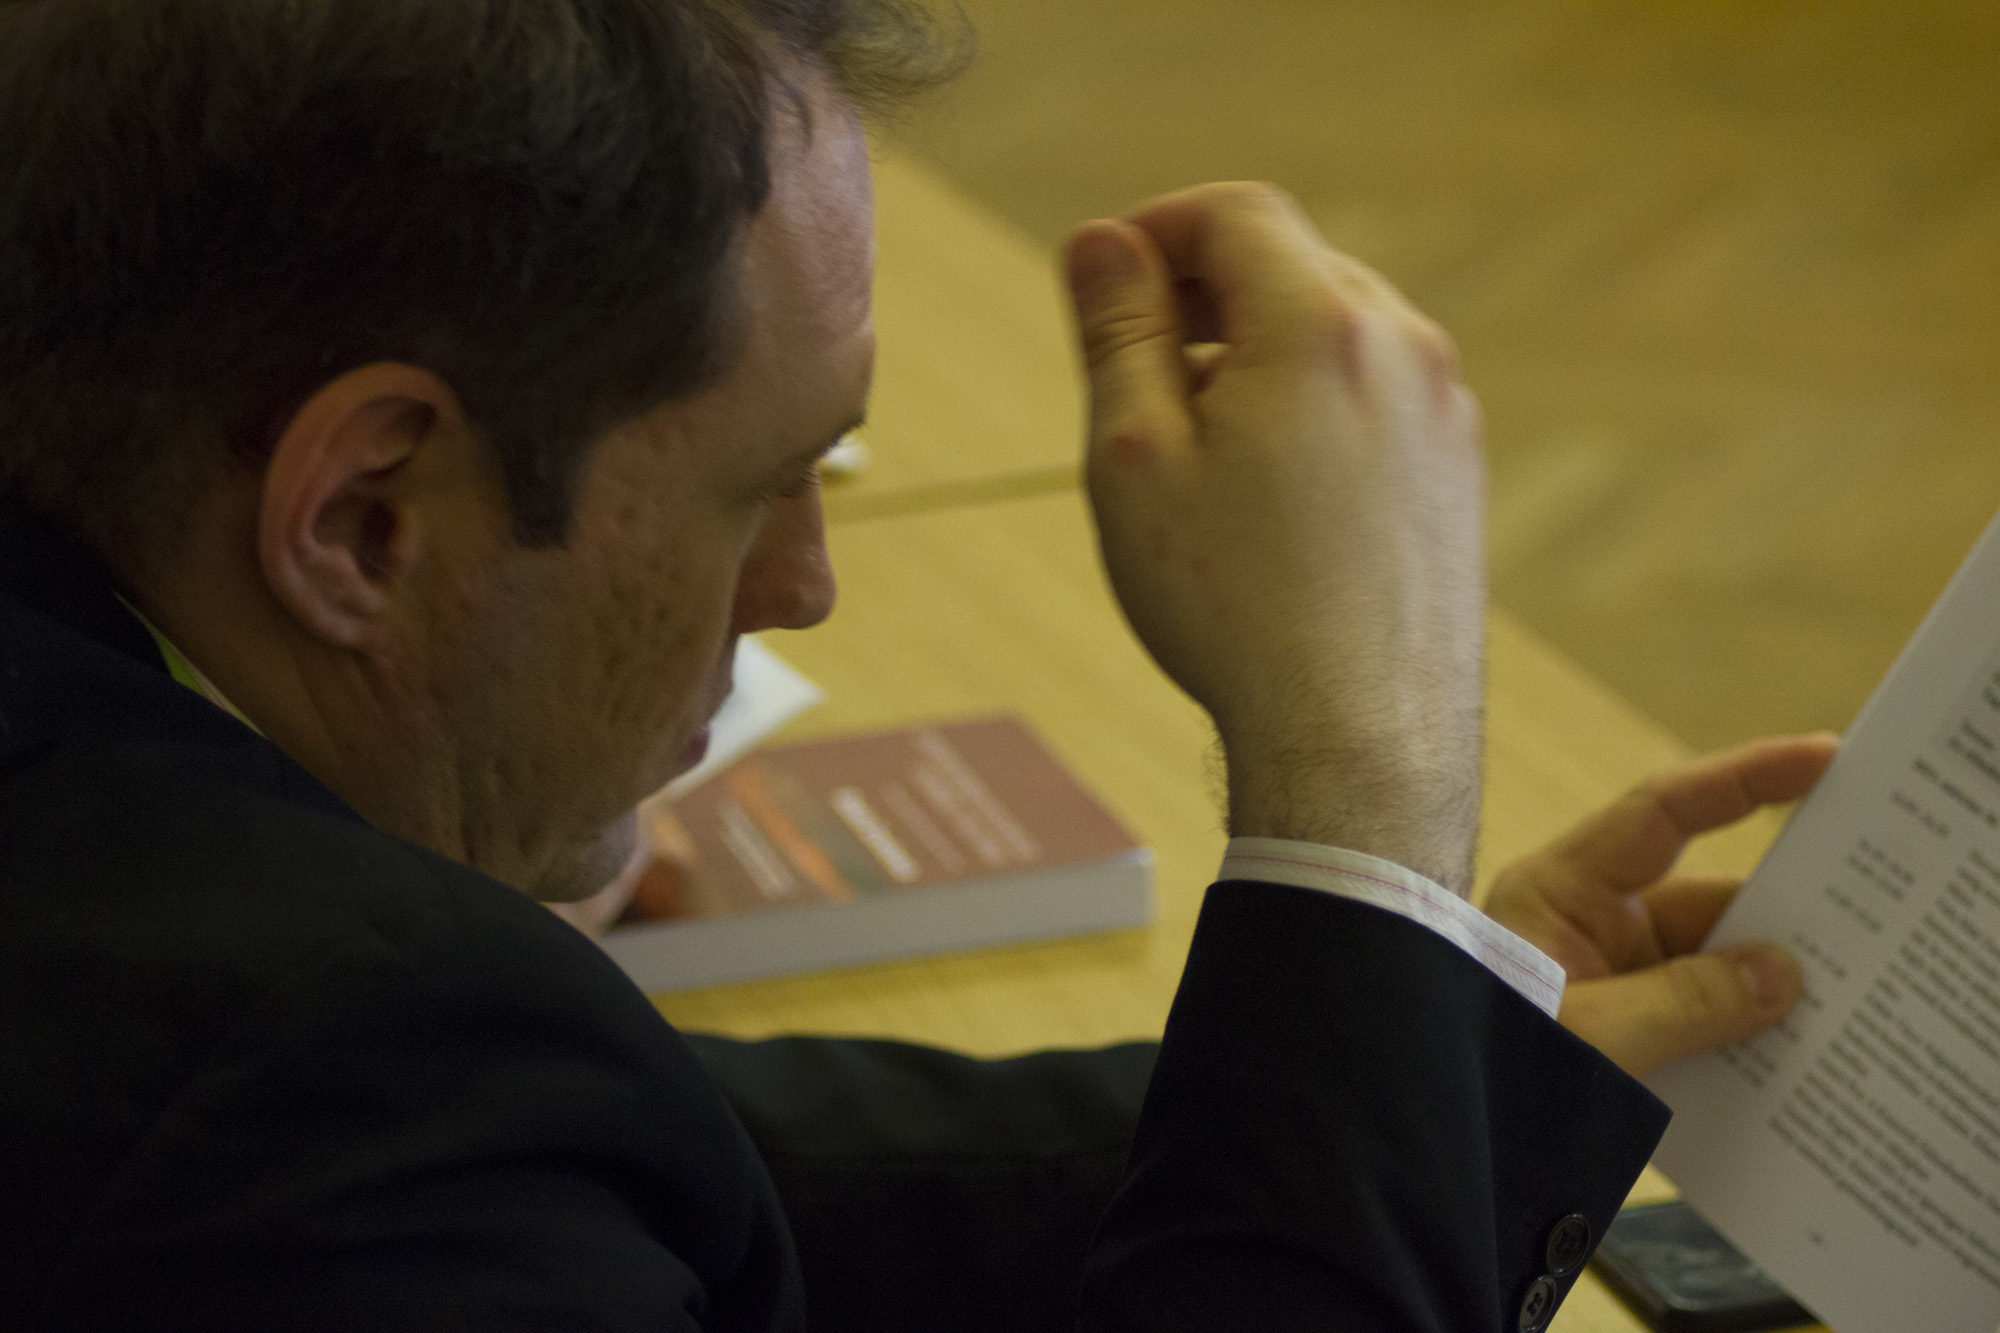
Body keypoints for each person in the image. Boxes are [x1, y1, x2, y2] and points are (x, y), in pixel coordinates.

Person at [0, 1, 1826, 1328]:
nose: (806, 586)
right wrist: (1362, 780)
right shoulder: (300, 1077)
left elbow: (652, 1175)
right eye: (766, 481)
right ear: (363, 519)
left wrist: (1400, 1041)